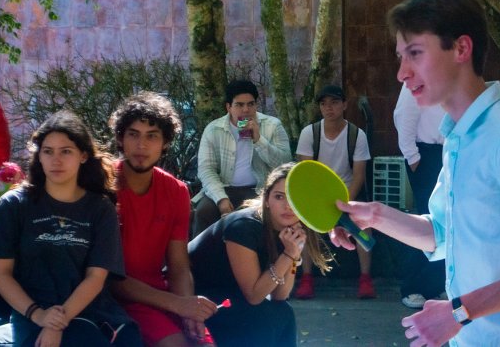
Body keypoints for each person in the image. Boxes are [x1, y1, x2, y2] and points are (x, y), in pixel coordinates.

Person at [330, 0, 500, 347]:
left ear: (462, 49)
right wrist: (372, 216)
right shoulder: (459, 137)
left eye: (415, 54)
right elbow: (440, 232)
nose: (402, 72)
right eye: (401, 56)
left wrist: (458, 312)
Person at [0, 111, 143, 347]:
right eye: (48, 152)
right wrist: (40, 316)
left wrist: (58, 321)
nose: (55, 160)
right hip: (31, 316)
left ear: (83, 155)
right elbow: (1, 275)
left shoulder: (100, 208)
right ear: (39, 157)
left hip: (90, 314)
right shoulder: (12, 206)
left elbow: (96, 278)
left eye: (65, 151)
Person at [109, 92, 218, 346]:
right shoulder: (103, 185)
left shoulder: (177, 191)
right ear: (120, 138)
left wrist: (189, 311)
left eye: (152, 136)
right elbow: (109, 277)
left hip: (160, 295)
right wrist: (180, 305)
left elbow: (178, 265)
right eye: (133, 134)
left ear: (165, 142)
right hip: (112, 299)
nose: (141, 146)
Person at [188, 163, 332, 346]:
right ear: (266, 200)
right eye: (279, 197)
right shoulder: (244, 226)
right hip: (194, 293)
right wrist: (288, 255)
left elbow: (281, 295)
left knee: (283, 312)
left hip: (229, 294)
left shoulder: (288, 231)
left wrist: (293, 254)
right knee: (260, 317)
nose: (287, 206)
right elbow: (254, 296)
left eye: (295, 199)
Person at [293, 85, 374, 299]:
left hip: (348, 193)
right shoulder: (309, 133)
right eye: (323, 103)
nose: (329, 108)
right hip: (317, 195)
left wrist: (343, 204)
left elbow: (359, 176)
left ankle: (365, 278)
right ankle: (307, 277)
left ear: (345, 105)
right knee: (303, 224)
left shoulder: (357, 135)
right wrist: (321, 204)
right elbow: (306, 173)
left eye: (334, 102)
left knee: (365, 228)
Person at [192, 79, 292, 236]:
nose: (246, 110)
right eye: (239, 105)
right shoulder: (213, 129)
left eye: (250, 104)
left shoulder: (273, 125)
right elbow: (206, 169)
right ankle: (200, 258)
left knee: (254, 218)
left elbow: (284, 164)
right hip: (224, 187)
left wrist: (259, 140)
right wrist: (221, 199)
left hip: (259, 189)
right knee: (204, 211)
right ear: (228, 107)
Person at [393, 84, 446, 309]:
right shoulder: (414, 79)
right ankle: (411, 287)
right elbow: (403, 117)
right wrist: (413, 157)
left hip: (445, 153)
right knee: (429, 223)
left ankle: (434, 286)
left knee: (445, 221)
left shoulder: (447, 74)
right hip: (424, 156)